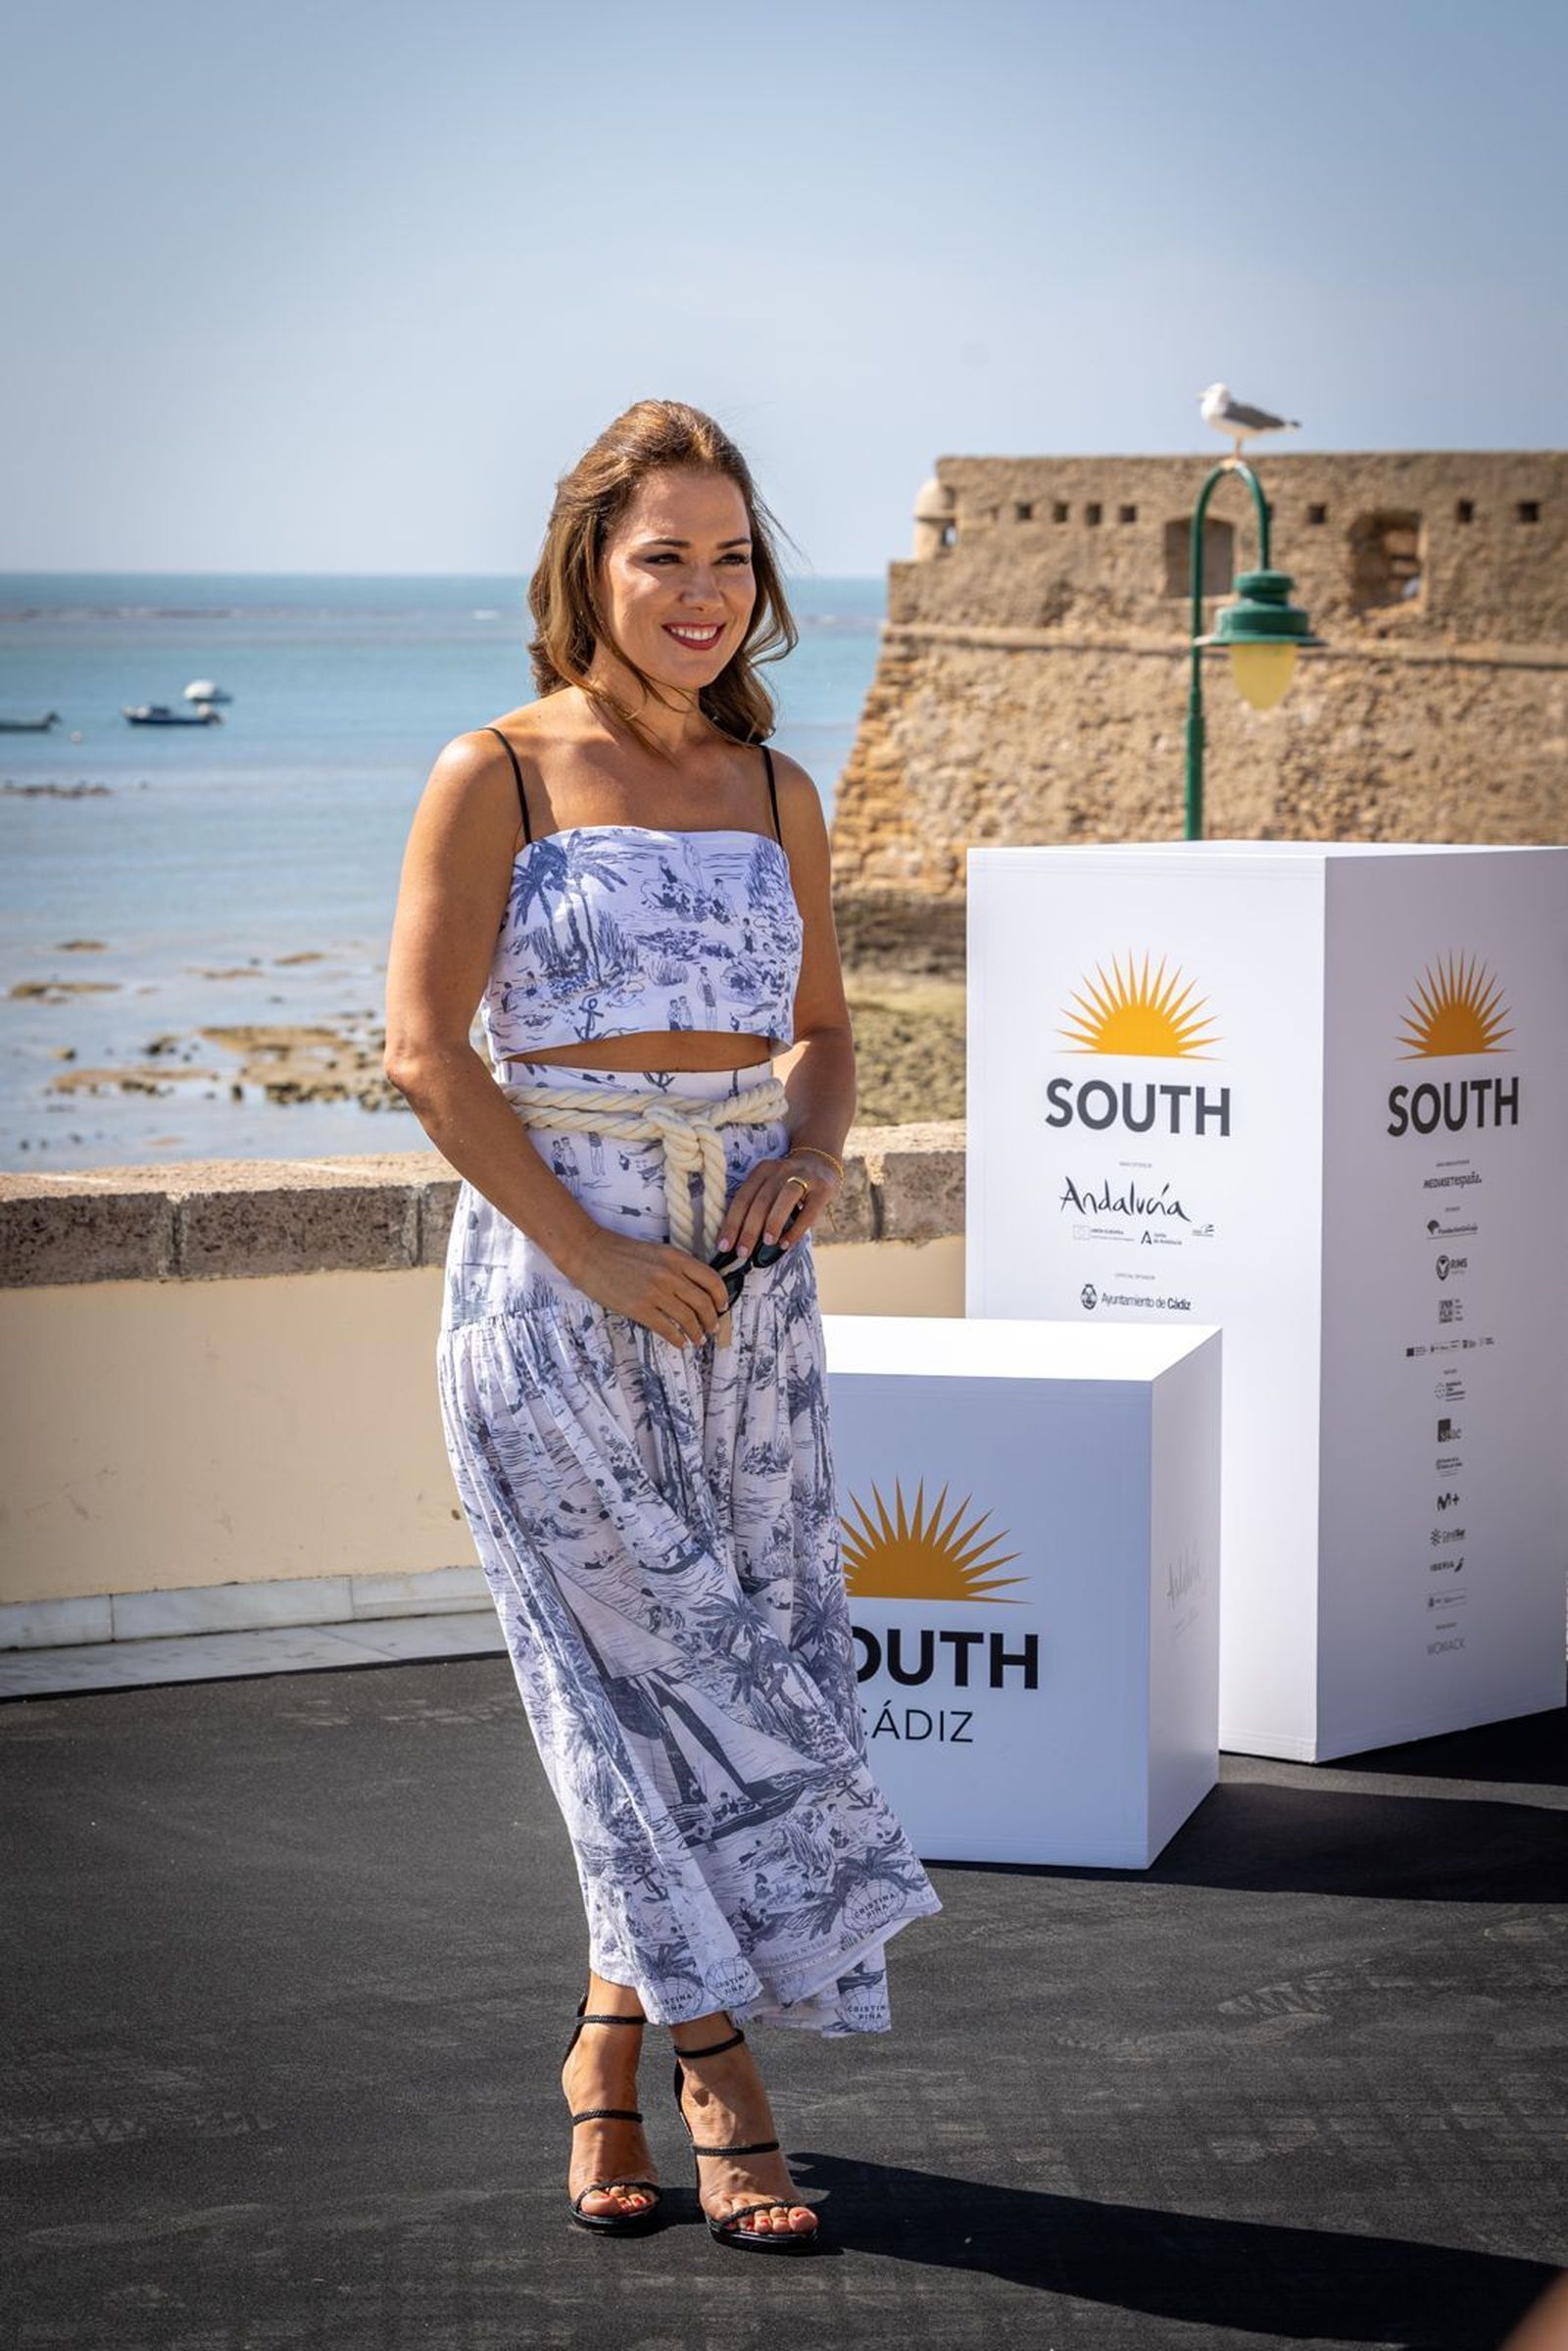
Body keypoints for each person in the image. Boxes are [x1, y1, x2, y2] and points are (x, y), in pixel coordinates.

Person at [383, 399, 940, 2254]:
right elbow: (426, 1056)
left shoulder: (776, 788)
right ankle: (721, 2072)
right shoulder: (497, 770)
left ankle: (601, 2049)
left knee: (740, 1666)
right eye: (663, 556)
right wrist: (596, 1256)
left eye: (731, 556)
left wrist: (813, 1156)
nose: (703, 592)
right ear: (590, 570)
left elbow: (826, 1033)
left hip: (745, 1311)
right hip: (555, 1295)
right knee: (632, 1680)